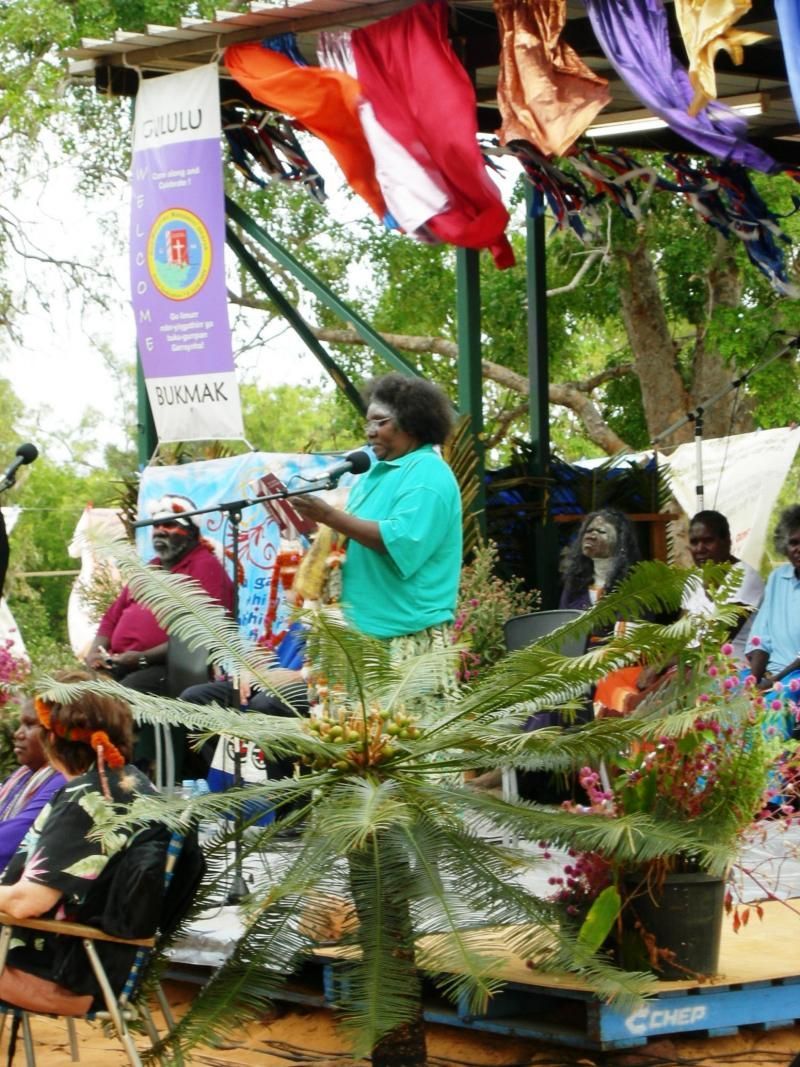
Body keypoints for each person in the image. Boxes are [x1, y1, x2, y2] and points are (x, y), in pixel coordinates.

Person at [0, 670, 163, 1015]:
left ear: (52, 739)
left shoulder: (89, 801)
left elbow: (26, 902)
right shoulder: (127, 785)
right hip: (90, 962)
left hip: (56, 973)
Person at [292, 373, 462, 657]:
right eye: (368, 422)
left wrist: (330, 516)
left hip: (403, 640)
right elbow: (354, 535)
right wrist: (317, 523)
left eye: (380, 422)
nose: (370, 431)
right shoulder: (373, 475)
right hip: (358, 635)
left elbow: (398, 540)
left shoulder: (428, 474)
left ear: (412, 422)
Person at [84, 495, 234, 776]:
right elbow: (111, 618)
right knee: (72, 696)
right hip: (120, 663)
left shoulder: (204, 566)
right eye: (155, 526)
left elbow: (202, 632)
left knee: (116, 703)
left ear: (190, 532)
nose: (160, 532)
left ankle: (124, 776)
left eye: (169, 525)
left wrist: (140, 658)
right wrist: (95, 652)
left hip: (168, 669)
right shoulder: (149, 568)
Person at [682, 509, 764, 659]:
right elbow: (680, 633)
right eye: (694, 542)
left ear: (727, 541)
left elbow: (718, 639)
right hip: (687, 663)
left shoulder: (745, 577)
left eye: (708, 541)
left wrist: (667, 663)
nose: (700, 549)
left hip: (727, 667)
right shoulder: (694, 578)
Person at [0, 698, 65, 871]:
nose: (18, 734)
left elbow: (12, 840)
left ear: (55, 734)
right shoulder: (24, 774)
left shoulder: (62, 779)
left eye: (29, 725)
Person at [746, 505, 800, 701]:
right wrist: (752, 683)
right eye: (793, 543)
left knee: (774, 706)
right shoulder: (777, 578)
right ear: (784, 547)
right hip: (772, 674)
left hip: (791, 678)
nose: (798, 549)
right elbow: (762, 638)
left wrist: (774, 681)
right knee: (728, 693)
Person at [559, 509, 641, 612]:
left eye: (601, 532)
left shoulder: (635, 585)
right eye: (588, 531)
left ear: (621, 541)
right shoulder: (574, 584)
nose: (591, 536)